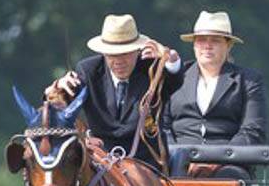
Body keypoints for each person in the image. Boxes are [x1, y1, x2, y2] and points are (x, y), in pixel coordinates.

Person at [45, 13, 183, 169]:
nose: (119, 61)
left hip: (146, 165)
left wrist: (169, 58)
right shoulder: (89, 70)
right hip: (100, 164)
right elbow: (61, 104)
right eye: (112, 54)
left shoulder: (152, 69)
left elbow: (175, 80)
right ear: (103, 53)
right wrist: (56, 89)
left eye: (125, 53)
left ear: (138, 51)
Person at [164, 10, 267, 181]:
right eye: (202, 40)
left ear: (228, 45)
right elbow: (163, 127)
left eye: (215, 41)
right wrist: (179, 158)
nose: (207, 45)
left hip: (228, 166)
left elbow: (252, 131)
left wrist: (217, 158)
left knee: (226, 181)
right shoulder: (175, 77)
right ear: (194, 44)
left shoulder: (249, 81)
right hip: (177, 163)